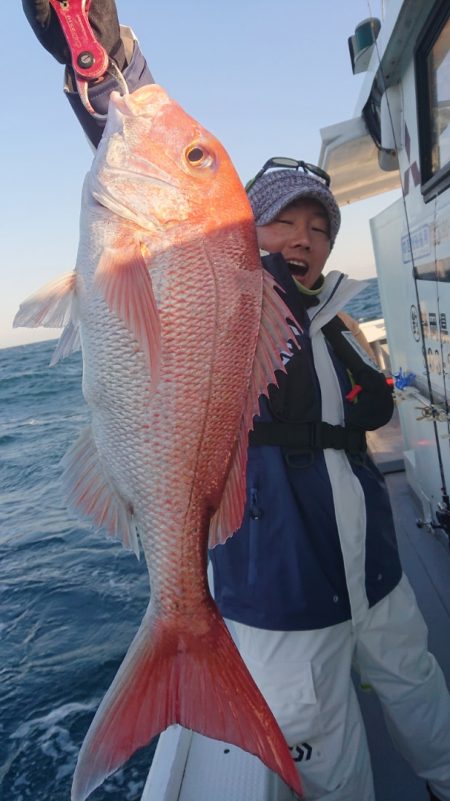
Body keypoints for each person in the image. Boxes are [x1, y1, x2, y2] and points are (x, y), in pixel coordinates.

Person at [22, 3, 450, 800]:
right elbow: (155, 172)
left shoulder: (337, 320)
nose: (303, 238)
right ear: (244, 233)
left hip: (375, 573)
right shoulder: (230, 292)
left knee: (421, 691)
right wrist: (105, 55)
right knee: (331, 761)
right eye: (282, 220)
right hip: (280, 594)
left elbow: (373, 415)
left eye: (318, 227)